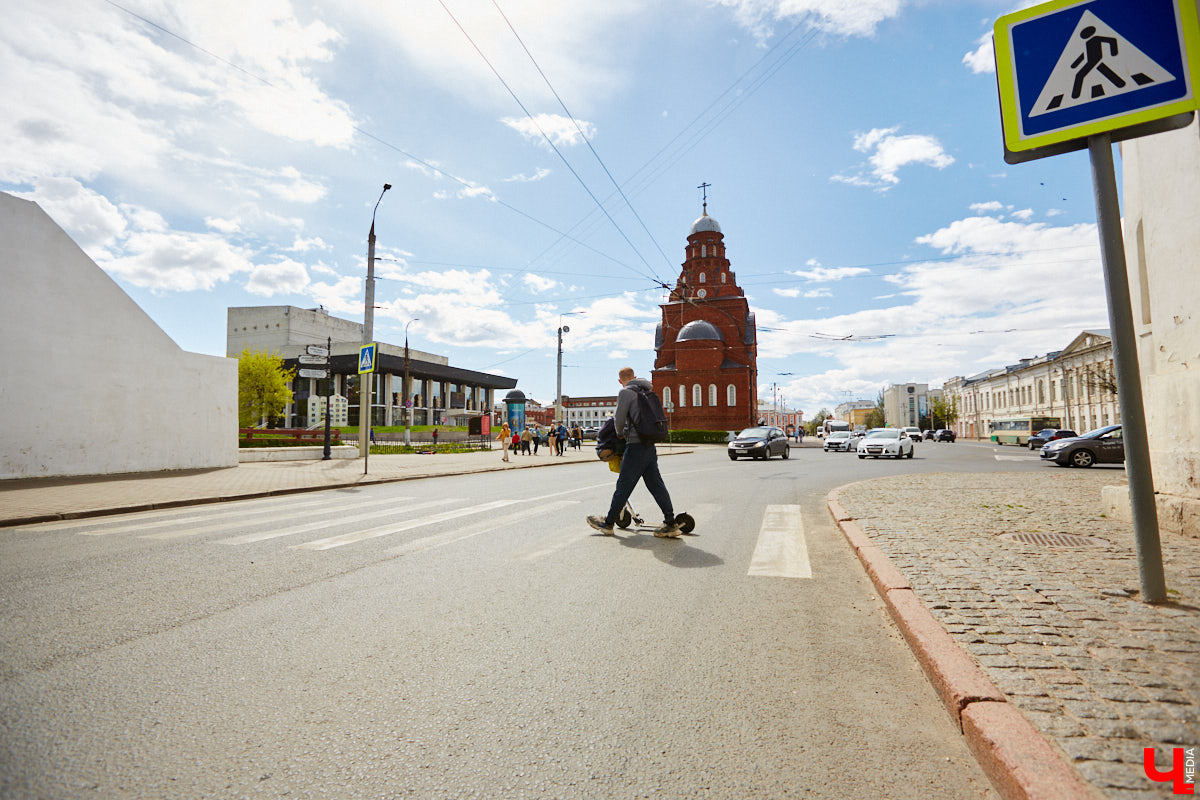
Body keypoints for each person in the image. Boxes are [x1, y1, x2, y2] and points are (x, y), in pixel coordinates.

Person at [586, 367, 680, 538]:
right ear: (635, 377)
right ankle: (670, 522)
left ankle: (608, 523)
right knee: (656, 485)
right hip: (649, 445)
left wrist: (620, 434)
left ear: (620, 380)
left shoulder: (625, 393)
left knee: (624, 485)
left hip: (636, 445)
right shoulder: (648, 391)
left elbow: (618, 420)